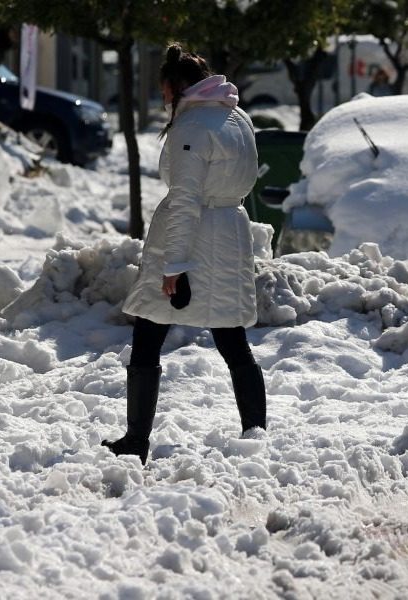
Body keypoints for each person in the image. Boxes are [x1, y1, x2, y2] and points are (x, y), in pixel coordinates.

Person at [102, 43, 265, 465]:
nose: (162, 99)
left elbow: (185, 200)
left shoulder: (191, 129)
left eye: (163, 91)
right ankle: (256, 434)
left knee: (148, 334)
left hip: (194, 239)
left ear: (177, 87)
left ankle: (136, 439)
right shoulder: (237, 118)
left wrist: (175, 265)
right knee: (233, 339)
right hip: (230, 234)